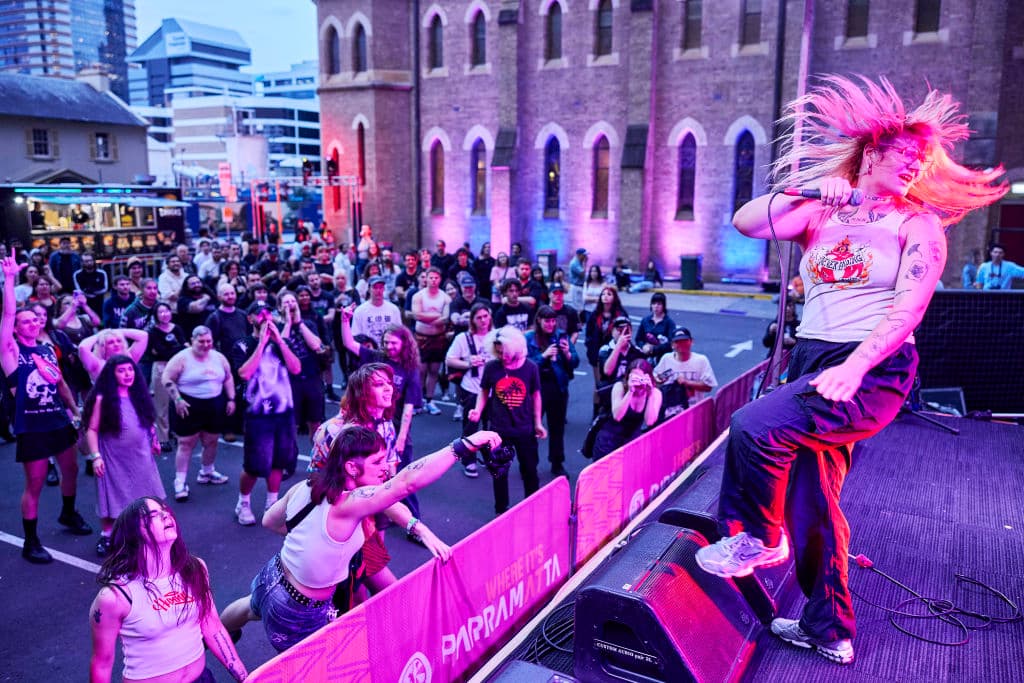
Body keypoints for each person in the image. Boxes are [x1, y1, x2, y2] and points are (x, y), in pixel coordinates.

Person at [693, 75, 1007, 665]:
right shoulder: (822, 214)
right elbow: (747, 222)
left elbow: (909, 307)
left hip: (872, 364)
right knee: (814, 496)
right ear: (872, 153)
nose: (915, 168)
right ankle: (829, 629)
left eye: (922, 161)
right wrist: (817, 190)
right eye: (905, 156)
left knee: (753, 425)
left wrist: (857, 367)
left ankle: (759, 539)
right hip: (812, 354)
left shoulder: (917, 225)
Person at [221, 426, 498, 651]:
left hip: (275, 574)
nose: (385, 468)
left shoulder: (306, 486)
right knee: (304, 670)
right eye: (377, 462)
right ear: (352, 468)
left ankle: (218, 637)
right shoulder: (347, 505)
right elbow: (405, 484)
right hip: (298, 610)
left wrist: (313, 547)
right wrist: (464, 445)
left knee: (249, 607)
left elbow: (270, 520)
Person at [310, 364, 451, 594]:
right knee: (362, 596)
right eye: (378, 385)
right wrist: (419, 529)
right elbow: (315, 481)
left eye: (388, 383)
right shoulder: (333, 431)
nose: (388, 389)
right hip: (340, 528)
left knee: (377, 586)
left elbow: (389, 483)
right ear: (361, 393)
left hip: (373, 518)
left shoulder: (385, 425)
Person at [89, 497, 248, 683]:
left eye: (165, 511)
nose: (166, 515)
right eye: (154, 515)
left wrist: (244, 677)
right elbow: (102, 663)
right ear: (134, 534)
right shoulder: (115, 597)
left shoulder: (195, 569)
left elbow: (212, 625)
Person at [1, 249, 90, 564]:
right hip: (32, 427)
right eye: (23, 321)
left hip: (58, 421)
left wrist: (75, 412)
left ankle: (68, 514)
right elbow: (8, 314)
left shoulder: (47, 349)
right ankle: (31, 541)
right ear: (15, 328)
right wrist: (10, 279)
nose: (29, 323)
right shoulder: (10, 352)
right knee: (35, 483)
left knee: (71, 470)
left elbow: (62, 385)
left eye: (33, 320)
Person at [82, 356, 165, 557]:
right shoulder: (102, 398)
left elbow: (147, 421)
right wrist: (96, 457)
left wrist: (154, 440)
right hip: (113, 457)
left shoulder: (139, 395)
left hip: (141, 455)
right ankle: (107, 535)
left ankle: (142, 534)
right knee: (112, 495)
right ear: (112, 374)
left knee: (146, 492)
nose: (128, 374)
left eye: (130, 369)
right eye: (121, 370)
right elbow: (91, 429)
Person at [230, 301, 302, 525]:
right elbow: (244, 373)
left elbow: (296, 367)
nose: (266, 318)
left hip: (283, 413)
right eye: (260, 315)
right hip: (258, 414)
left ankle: (272, 502)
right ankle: (243, 502)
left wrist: (278, 339)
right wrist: (261, 343)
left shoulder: (282, 343)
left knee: (278, 462)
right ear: (251, 319)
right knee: (254, 465)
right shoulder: (242, 344)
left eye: (269, 314)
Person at [468, 326, 547, 515]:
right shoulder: (492, 367)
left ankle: (532, 507)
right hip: (499, 430)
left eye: (506, 353)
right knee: (499, 472)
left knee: (529, 470)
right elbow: (484, 391)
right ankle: (501, 510)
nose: (502, 356)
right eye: (499, 352)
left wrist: (538, 423)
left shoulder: (530, 368)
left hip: (525, 429)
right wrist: (478, 410)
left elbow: (536, 396)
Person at [162, 326, 235, 502]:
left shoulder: (218, 357)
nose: (206, 345)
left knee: (211, 441)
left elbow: (228, 377)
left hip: (214, 404)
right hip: (188, 404)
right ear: (192, 340)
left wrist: (231, 399)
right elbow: (167, 379)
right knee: (186, 443)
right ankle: (180, 482)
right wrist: (177, 399)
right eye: (201, 341)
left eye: (209, 341)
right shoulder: (182, 358)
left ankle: (207, 472)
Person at [526, 306, 579, 477]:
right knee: (532, 428)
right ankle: (529, 463)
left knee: (557, 428)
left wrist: (567, 353)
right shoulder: (529, 338)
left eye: (553, 320)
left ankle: (557, 462)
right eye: (547, 321)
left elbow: (575, 361)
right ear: (539, 321)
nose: (550, 324)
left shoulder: (561, 335)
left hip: (558, 387)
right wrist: (543, 356)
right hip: (537, 389)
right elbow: (525, 365)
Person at [445, 302, 494, 476]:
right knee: (471, 426)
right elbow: (449, 359)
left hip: (493, 390)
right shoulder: (463, 338)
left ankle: (489, 457)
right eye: (479, 317)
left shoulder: (496, 336)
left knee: (491, 426)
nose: (483, 321)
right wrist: (468, 363)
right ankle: (469, 460)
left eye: (486, 316)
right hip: (472, 388)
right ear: (472, 320)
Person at [279, 289, 327, 438]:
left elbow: (316, 345)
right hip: (291, 381)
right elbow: (281, 347)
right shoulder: (278, 328)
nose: (291, 305)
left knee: (316, 423)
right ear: (280, 308)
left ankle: (316, 458)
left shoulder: (308, 324)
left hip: (312, 378)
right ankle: (289, 456)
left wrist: (299, 323)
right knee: (292, 423)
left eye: (293, 301)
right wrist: (288, 323)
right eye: (286, 302)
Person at [411, 267, 451, 416]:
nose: (433, 280)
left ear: (439, 279)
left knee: (434, 370)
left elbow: (446, 318)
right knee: (421, 370)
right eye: (431, 277)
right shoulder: (418, 296)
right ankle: (418, 400)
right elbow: (417, 315)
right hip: (421, 338)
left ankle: (430, 400)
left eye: (436, 278)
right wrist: (436, 316)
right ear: (425, 279)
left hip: (438, 338)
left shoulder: (445, 297)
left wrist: (428, 317)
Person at [654, 327, 717, 418]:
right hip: (670, 412)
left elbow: (708, 387)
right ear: (672, 345)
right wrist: (660, 380)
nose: (681, 344)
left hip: (694, 410)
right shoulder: (666, 359)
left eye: (684, 341)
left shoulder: (701, 360)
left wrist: (687, 382)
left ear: (691, 341)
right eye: (677, 342)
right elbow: (655, 381)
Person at [351, 274, 403, 346]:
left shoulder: (394, 309)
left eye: (381, 287)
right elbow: (356, 335)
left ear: (384, 289)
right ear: (369, 289)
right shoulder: (360, 311)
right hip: (368, 351)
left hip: (389, 350)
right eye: (375, 288)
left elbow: (399, 333)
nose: (378, 291)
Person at [635, 292, 676, 361]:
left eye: (659, 304)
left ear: (664, 306)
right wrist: (643, 346)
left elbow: (671, 344)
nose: (656, 306)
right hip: (646, 354)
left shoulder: (669, 323)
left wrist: (654, 349)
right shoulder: (645, 321)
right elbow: (638, 339)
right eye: (654, 304)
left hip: (662, 356)